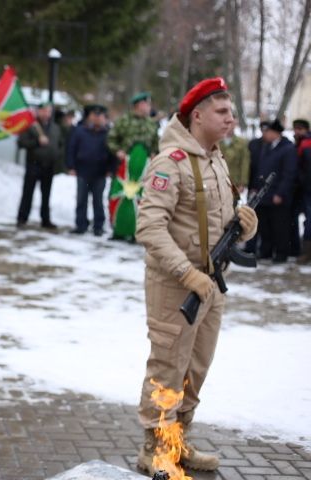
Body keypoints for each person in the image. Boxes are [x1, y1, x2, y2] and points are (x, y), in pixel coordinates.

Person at [134, 77, 258, 475]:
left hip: (211, 284)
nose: (231, 119)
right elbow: (149, 228)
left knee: (195, 369)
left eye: (233, 112)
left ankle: (178, 442)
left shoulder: (215, 158)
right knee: (168, 368)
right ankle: (155, 450)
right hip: (176, 285)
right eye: (222, 112)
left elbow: (218, 223)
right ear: (198, 114)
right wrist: (187, 274)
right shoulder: (171, 162)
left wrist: (245, 226)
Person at [106, 91, 159, 241]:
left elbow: (156, 143)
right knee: (120, 197)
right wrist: (118, 151)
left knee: (140, 199)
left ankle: (135, 232)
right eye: (146, 104)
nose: (149, 107)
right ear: (138, 105)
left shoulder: (151, 124)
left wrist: (155, 153)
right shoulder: (124, 121)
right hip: (125, 168)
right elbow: (111, 138)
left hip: (143, 169)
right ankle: (118, 230)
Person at [248, 119, 297, 263]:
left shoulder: (287, 148)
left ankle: (281, 253)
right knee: (265, 225)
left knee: (280, 226)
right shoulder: (266, 147)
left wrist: (280, 193)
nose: (265, 134)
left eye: (267, 132)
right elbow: (261, 169)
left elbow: (289, 173)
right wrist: (256, 187)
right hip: (264, 194)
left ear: (276, 133)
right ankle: (266, 251)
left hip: (278, 195)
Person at [66, 104, 115, 235]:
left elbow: (112, 152)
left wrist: (111, 168)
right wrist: (71, 166)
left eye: (100, 116)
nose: (97, 118)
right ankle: (80, 224)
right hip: (83, 171)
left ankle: (98, 226)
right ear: (89, 117)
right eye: (94, 115)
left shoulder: (108, 133)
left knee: (98, 201)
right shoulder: (80, 131)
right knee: (81, 199)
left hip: (100, 172)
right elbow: (71, 148)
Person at [16, 102, 64, 229]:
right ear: (38, 111)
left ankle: (45, 219)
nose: (46, 113)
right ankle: (22, 218)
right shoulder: (31, 126)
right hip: (33, 164)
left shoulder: (55, 128)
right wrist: (37, 141)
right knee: (28, 192)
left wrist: (57, 155)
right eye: (43, 111)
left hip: (48, 166)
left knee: (46, 194)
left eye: (48, 111)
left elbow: (60, 145)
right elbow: (21, 143)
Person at [292, 119, 311, 263]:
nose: (296, 132)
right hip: (302, 189)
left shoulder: (306, 144)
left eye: (300, 129)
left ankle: (306, 253)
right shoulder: (299, 143)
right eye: (295, 129)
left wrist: (302, 182)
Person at [219, 114, 249, 192]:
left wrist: (243, 183)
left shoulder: (241, 143)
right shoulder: (216, 141)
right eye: (227, 123)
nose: (230, 126)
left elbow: (245, 163)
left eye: (233, 123)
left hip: (235, 182)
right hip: (218, 181)